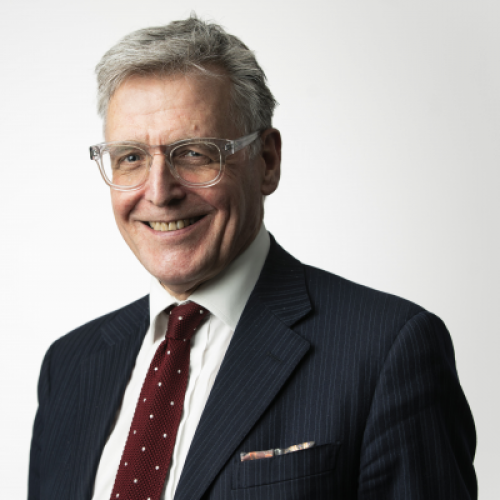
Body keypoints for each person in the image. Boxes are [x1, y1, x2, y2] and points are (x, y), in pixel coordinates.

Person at [28, 16, 477, 500]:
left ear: (267, 161)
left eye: (194, 153)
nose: (158, 193)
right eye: (131, 157)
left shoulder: (387, 349)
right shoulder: (69, 366)